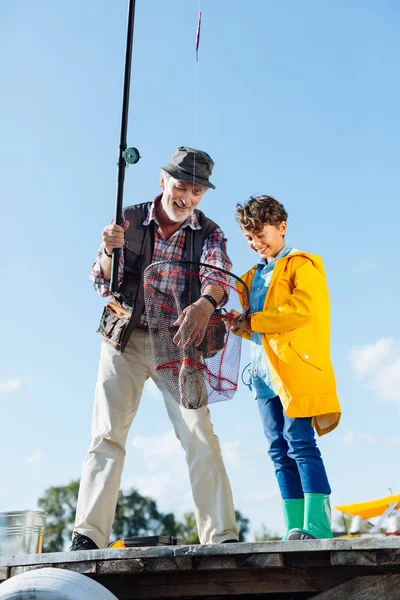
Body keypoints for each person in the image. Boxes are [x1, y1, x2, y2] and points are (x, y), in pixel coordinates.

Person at [71, 147, 239, 550]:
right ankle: (87, 536)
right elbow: (101, 282)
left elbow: (219, 276)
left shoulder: (210, 232)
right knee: (107, 435)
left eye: (197, 191)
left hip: (178, 344)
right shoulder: (126, 219)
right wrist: (110, 252)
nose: (187, 197)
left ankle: (223, 537)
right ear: (163, 182)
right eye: (181, 186)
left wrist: (205, 303)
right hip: (123, 339)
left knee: (200, 434)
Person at [232, 195, 341, 540]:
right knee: (278, 448)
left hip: (295, 371)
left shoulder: (301, 265)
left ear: (282, 227)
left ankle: (319, 528)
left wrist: (254, 321)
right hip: (262, 375)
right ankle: (295, 527)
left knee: (300, 442)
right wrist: (239, 324)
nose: (256, 244)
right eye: (249, 238)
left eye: (261, 235)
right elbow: (254, 329)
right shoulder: (250, 277)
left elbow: (301, 309)